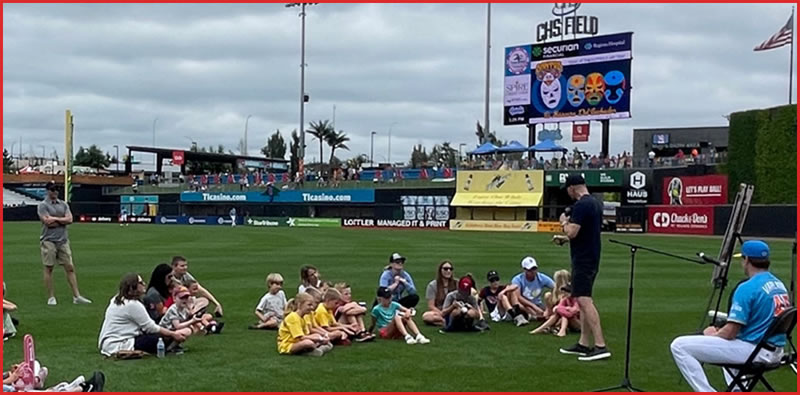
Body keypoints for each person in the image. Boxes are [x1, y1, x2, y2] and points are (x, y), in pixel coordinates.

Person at [671, 241, 790, 392]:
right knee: (726, 347)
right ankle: (737, 390)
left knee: (679, 346)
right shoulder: (779, 284)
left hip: (756, 351)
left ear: (746, 260)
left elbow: (730, 332)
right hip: (774, 350)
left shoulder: (747, 287)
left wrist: (713, 335)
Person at [558, 174, 611, 362]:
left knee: (585, 300)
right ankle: (583, 342)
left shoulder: (581, 205)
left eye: (568, 190)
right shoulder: (595, 203)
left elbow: (572, 231)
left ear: (572, 188)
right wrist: (565, 239)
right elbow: (584, 233)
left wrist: (564, 222)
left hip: (583, 260)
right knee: (582, 300)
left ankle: (600, 345)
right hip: (591, 256)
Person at [97, 273, 187, 357]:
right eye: (140, 282)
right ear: (133, 287)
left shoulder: (117, 299)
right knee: (160, 338)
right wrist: (173, 334)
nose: (144, 284)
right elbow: (151, 327)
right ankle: (169, 348)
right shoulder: (133, 304)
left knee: (162, 333)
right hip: (120, 343)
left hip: (108, 343)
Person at [38, 181, 91, 306]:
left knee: (70, 267)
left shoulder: (63, 204)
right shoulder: (43, 205)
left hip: (63, 240)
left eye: (56, 189)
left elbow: (70, 219)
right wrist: (62, 221)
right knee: (49, 268)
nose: (55, 192)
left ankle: (76, 296)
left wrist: (56, 219)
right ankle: (51, 297)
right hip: (48, 240)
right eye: (52, 189)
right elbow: (47, 222)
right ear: (47, 191)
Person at [509, 256, 555, 323]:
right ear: (524, 270)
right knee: (520, 305)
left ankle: (538, 315)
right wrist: (533, 307)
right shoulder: (517, 279)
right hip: (524, 304)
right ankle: (532, 315)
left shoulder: (541, 277)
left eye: (534, 269)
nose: (533, 272)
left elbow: (555, 287)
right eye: (530, 270)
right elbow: (518, 297)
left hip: (537, 303)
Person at [422, 260, 457, 327]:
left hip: (453, 310)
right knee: (426, 316)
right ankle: (446, 322)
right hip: (439, 311)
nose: (448, 271)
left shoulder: (457, 283)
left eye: (450, 269)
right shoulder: (432, 285)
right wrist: (442, 313)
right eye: (445, 269)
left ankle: (444, 322)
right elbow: (431, 306)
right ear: (440, 270)